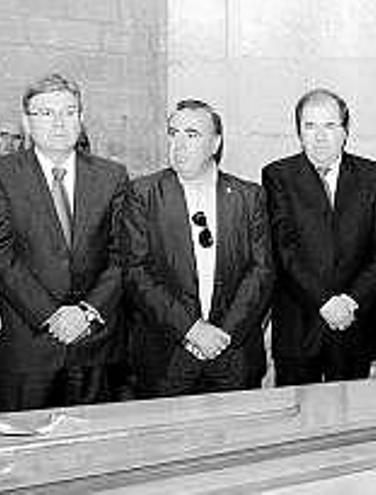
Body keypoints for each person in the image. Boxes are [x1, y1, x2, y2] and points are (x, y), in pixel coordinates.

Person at [126, 99, 274, 398]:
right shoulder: (143, 194)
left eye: (191, 134)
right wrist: (190, 329)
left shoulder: (248, 197)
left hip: (233, 353)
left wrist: (223, 335)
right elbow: (136, 272)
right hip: (168, 356)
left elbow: (261, 272)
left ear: (215, 143)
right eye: (173, 133)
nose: (179, 144)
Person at [0, 74, 128, 411]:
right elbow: (3, 256)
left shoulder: (112, 176)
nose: (59, 123)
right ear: (26, 122)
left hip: (96, 346)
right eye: (46, 113)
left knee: (95, 457)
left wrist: (86, 313)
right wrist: (51, 316)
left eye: (69, 112)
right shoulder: (5, 175)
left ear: (81, 119)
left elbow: (122, 256)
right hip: (30, 347)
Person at [263, 89, 376, 385]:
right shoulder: (278, 176)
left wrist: (351, 301)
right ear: (299, 132)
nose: (319, 136)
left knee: (352, 421)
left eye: (329, 126)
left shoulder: (373, 177)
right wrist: (324, 302)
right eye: (309, 126)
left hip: (355, 324)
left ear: (345, 131)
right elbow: (283, 250)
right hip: (300, 325)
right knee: (299, 423)